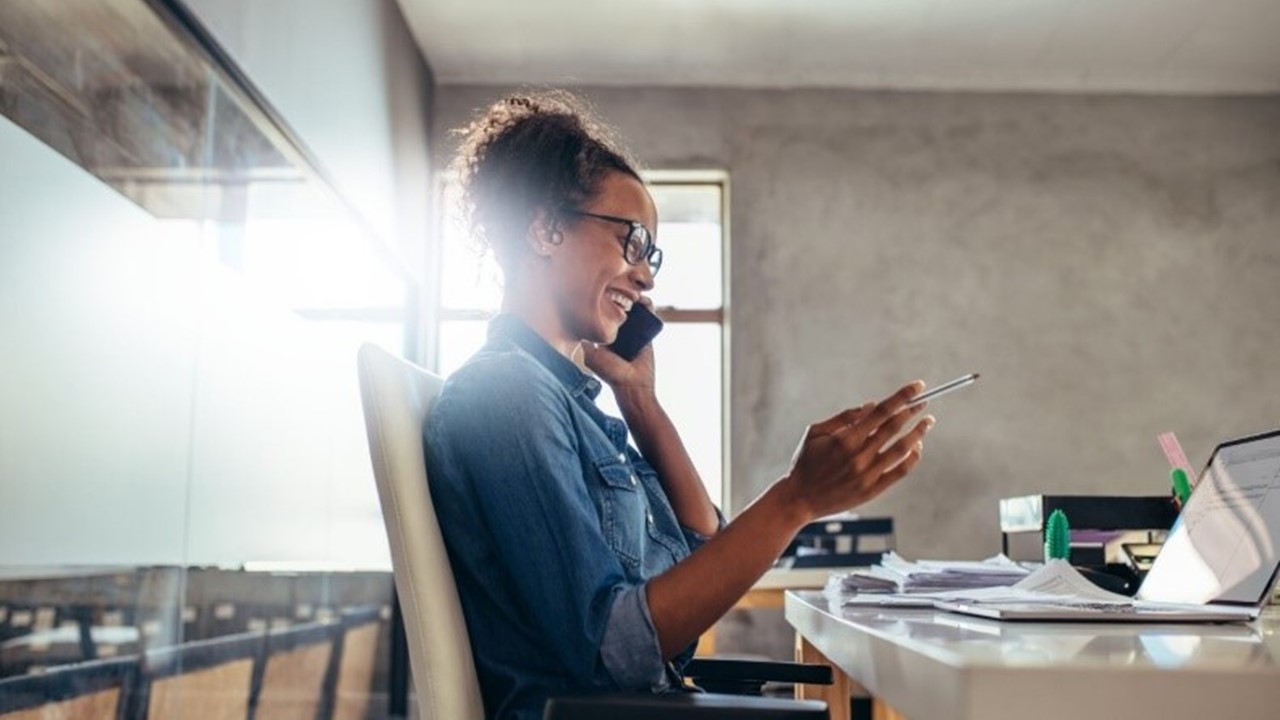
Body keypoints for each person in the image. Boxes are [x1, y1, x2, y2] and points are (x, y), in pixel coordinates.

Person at [424, 91, 936, 720]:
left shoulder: (575, 407)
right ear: (545, 228)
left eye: (651, 256)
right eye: (632, 243)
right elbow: (613, 650)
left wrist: (642, 404)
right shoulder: (504, 395)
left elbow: (700, 558)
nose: (647, 277)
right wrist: (794, 500)